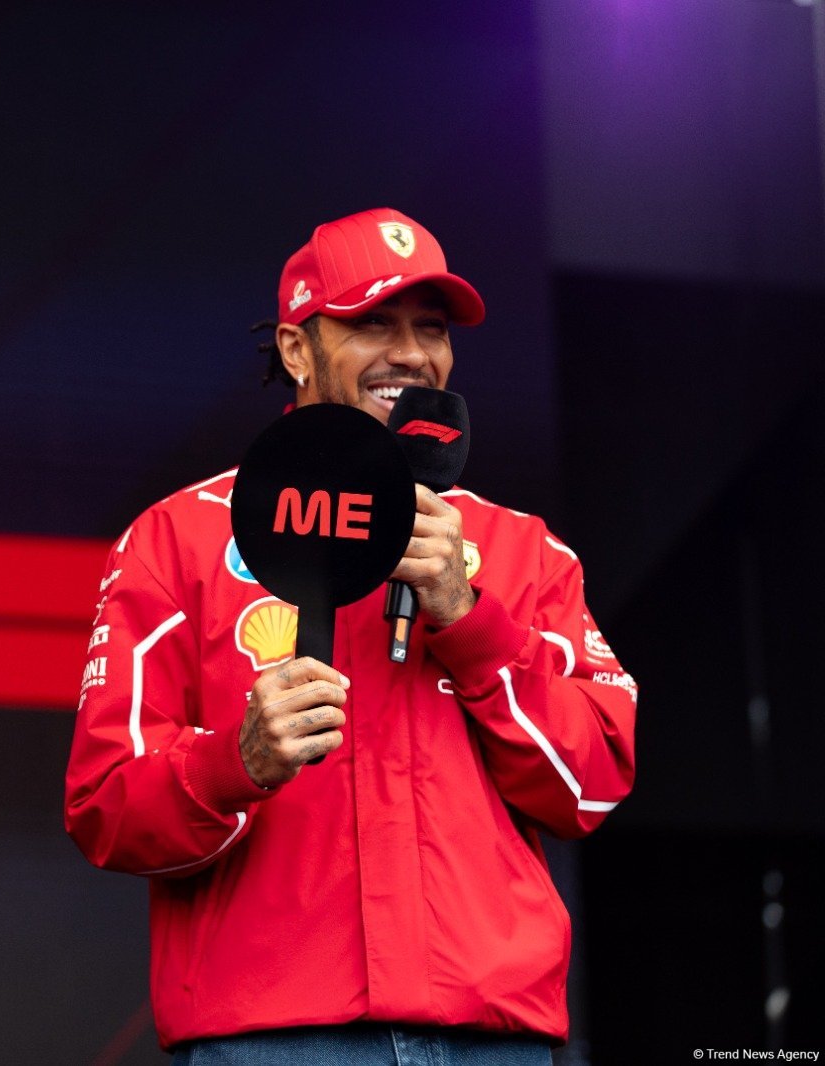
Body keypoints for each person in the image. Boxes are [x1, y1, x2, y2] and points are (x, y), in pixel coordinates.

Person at [63, 207, 637, 1064]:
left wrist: (469, 619)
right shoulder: (179, 538)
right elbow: (104, 808)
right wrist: (234, 763)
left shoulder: (523, 551)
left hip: (490, 1043)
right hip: (273, 1043)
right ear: (297, 349)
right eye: (374, 323)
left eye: (430, 329)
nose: (410, 354)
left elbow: (592, 786)